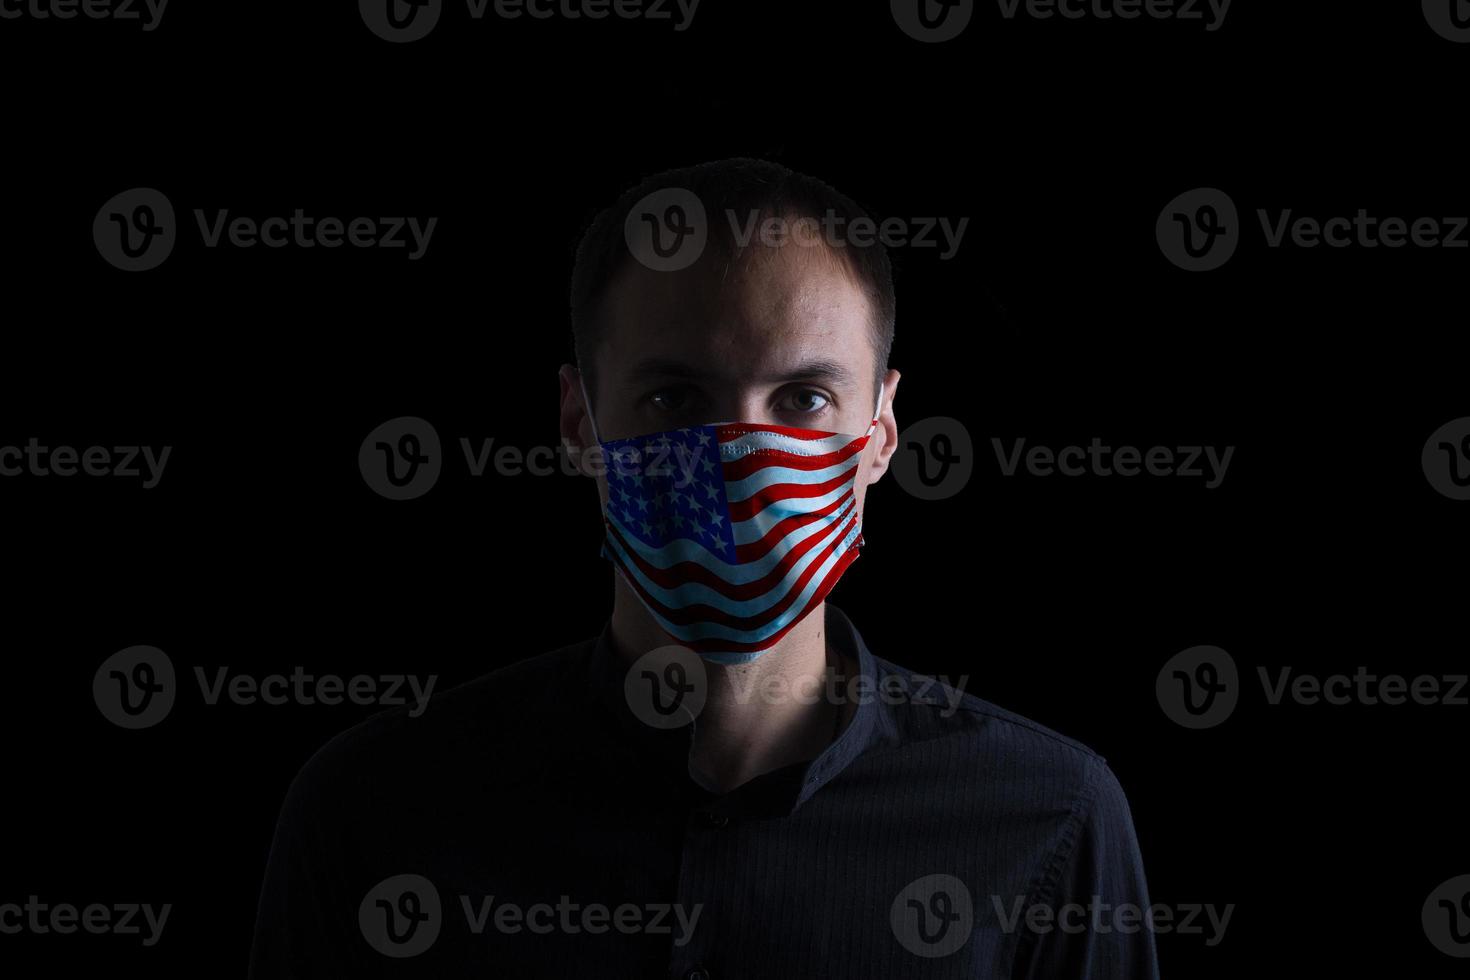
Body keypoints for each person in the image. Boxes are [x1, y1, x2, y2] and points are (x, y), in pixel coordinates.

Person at [248, 157, 1160, 978]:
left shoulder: (1049, 817)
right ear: (579, 423)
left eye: (804, 398)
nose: (739, 458)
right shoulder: (372, 812)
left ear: (878, 434)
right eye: (674, 396)